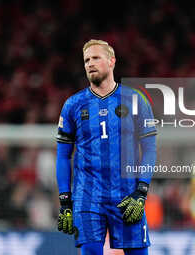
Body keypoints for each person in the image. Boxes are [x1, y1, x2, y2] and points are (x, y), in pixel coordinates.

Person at [56, 39, 157, 255]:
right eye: (86, 60)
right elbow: (63, 156)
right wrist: (65, 201)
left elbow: (149, 150)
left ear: (111, 61)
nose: (90, 63)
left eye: (95, 58)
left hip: (127, 195)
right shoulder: (73, 105)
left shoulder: (135, 99)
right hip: (87, 197)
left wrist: (141, 192)